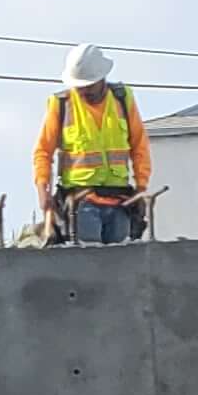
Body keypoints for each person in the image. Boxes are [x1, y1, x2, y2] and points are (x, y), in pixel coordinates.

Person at [34, 42, 151, 244]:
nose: (82, 92)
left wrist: (141, 187)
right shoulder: (62, 105)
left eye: (88, 86)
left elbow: (140, 146)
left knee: (120, 263)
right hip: (82, 202)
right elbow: (43, 151)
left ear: (102, 79)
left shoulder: (123, 99)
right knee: (90, 260)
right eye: (78, 87)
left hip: (120, 201)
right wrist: (42, 190)